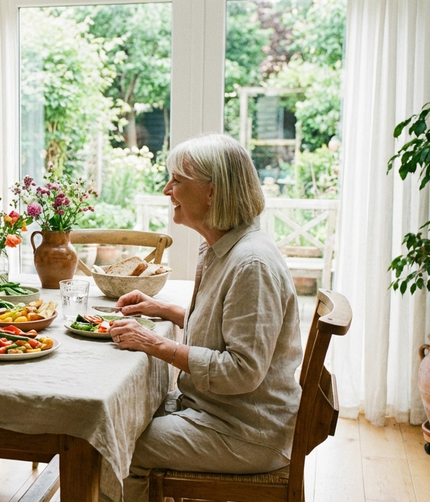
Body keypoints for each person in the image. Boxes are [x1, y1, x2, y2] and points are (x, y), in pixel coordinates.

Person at [108, 133, 303, 501]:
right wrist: (162, 309)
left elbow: (241, 370)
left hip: (247, 432)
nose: (168, 190)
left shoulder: (251, 264)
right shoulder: (223, 247)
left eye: (178, 181)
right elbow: (225, 327)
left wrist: (153, 342)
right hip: (219, 412)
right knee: (122, 417)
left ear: (212, 191)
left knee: (116, 445)